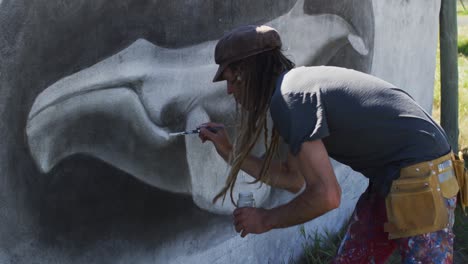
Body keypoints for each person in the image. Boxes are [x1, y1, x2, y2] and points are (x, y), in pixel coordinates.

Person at [198, 25, 460, 263]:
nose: (230, 91)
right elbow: (292, 179)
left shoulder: (290, 99)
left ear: (247, 73)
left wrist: (265, 219)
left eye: (232, 80)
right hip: (396, 176)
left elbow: (327, 196)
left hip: (421, 176)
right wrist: (230, 151)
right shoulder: (294, 91)